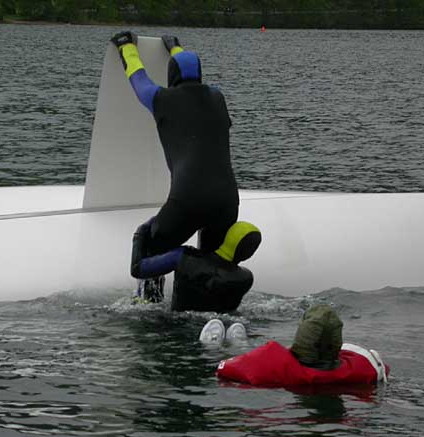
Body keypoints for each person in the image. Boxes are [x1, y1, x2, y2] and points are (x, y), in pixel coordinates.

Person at [111, 31, 239, 301]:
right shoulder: (218, 99)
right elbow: (189, 69)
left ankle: (150, 305)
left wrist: (126, 47)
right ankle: (206, 311)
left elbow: (138, 78)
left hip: (187, 200)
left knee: (151, 249)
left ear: (171, 76)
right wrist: (176, 47)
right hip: (226, 202)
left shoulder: (162, 99)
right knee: (208, 265)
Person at [215, 304, 389, 386]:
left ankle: (216, 345)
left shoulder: (270, 362)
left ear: (301, 334)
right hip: (328, 380)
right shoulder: (364, 370)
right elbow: (383, 370)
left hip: (264, 373)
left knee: (230, 356)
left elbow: (223, 370)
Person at [131, 219, 262, 312]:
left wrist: (139, 234)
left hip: (172, 324)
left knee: (151, 291)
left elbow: (138, 269)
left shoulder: (184, 257)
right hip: (215, 328)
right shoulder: (245, 279)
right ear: (249, 254)